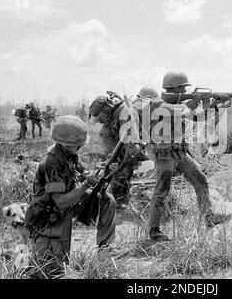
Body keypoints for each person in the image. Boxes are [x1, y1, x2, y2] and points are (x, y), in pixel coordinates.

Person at [145, 71, 232, 242]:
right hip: (164, 155)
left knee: (200, 180)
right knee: (161, 192)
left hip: (179, 153)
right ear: (175, 88)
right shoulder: (157, 104)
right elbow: (183, 111)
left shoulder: (179, 105)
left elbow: (199, 118)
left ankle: (209, 217)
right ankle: (154, 231)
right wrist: (193, 102)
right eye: (183, 88)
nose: (185, 90)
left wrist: (216, 104)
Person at [25, 115, 116, 278]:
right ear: (66, 144)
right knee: (52, 271)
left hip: (66, 207)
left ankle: (105, 253)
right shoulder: (51, 163)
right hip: (48, 217)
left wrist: (104, 171)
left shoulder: (69, 155)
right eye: (77, 144)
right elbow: (60, 201)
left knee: (107, 200)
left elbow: (81, 177)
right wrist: (87, 184)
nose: (80, 146)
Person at [88, 91, 149, 211]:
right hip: (121, 153)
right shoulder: (113, 115)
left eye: (97, 115)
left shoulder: (125, 113)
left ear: (106, 109)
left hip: (132, 153)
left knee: (120, 177)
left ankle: (119, 208)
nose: (97, 120)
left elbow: (130, 146)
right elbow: (108, 139)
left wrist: (119, 164)